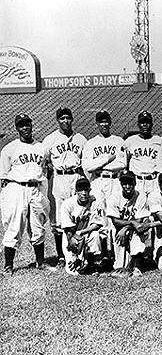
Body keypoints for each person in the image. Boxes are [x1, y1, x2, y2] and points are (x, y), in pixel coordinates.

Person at [0, 114, 51, 275]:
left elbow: (45, 168)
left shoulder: (41, 147)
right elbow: (4, 175)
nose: (25, 128)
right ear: (17, 128)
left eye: (27, 124)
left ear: (31, 125)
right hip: (16, 187)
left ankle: (40, 262)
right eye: (21, 125)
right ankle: (8, 265)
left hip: (35, 187)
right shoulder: (10, 148)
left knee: (38, 225)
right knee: (14, 226)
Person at [43, 107, 87, 268]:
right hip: (59, 177)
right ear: (58, 120)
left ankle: (77, 251)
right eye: (62, 118)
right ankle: (61, 255)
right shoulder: (50, 140)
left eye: (68, 118)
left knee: (78, 213)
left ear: (72, 119)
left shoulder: (81, 139)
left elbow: (86, 159)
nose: (65, 121)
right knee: (58, 218)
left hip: (76, 176)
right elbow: (43, 159)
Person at [82, 110, 127, 263]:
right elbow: (87, 167)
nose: (104, 124)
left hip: (114, 181)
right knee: (99, 215)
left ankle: (114, 254)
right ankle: (100, 255)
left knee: (114, 215)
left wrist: (99, 164)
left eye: (106, 121)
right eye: (101, 121)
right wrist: (107, 159)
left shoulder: (118, 141)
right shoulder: (91, 143)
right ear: (97, 124)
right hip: (98, 181)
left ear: (110, 122)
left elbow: (122, 163)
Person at [106, 171, 151, 277]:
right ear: (120, 184)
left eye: (130, 183)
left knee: (137, 234)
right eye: (124, 183)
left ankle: (138, 266)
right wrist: (131, 222)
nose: (127, 186)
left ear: (135, 183)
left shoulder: (141, 197)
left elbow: (139, 222)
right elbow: (115, 222)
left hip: (134, 230)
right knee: (121, 267)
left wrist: (126, 227)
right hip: (118, 231)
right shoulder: (114, 198)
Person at [60, 177, 104, 275]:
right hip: (71, 236)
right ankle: (80, 260)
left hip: (87, 233)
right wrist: (74, 253)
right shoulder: (67, 204)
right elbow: (68, 230)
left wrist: (81, 232)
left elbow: (97, 224)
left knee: (95, 235)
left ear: (90, 190)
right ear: (76, 191)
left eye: (86, 190)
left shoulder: (95, 202)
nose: (83, 193)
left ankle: (92, 263)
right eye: (80, 190)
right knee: (74, 271)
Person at [124, 111, 162, 198]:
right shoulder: (130, 141)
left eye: (147, 122)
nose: (145, 125)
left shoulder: (160, 141)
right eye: (142, 122)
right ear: (138, 125)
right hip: (136, 181)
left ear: (152, 124)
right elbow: (125, 162)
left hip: (153, 181)